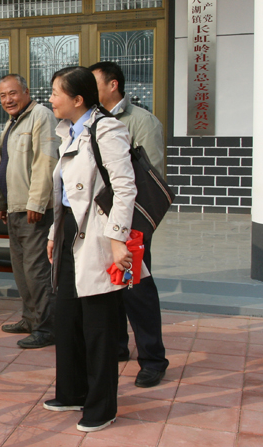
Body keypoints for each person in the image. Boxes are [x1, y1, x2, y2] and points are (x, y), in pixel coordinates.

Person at [44, 66, 143, 432]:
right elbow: (64, 193)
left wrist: (117, 240)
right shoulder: (68, 131)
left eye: (56, 93)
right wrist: (54, 233)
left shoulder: (107, 129)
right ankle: (72, 392)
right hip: (71, 231)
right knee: (68, 317)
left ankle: (102, 407)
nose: (51, 99)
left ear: (78, 99)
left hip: (100, 236)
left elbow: (125, 187)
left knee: (98, 326)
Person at [89, 61, 169, 388]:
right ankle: (119, 346)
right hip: (100, 223)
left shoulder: (141, 121)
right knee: (110, 288)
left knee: (137, 291)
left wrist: (131, 227)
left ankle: (153, 359)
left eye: (93, 83)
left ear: (113, 85)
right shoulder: (90, 120)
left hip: (130, 223)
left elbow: (150, 178)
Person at [0, 74, 60, 349]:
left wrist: (37, 203)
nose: (7, 100)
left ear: (26, 91)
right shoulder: (12, 122)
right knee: (22, 271)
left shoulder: (41, 115)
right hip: (15, 208)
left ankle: (47, 328)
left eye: (12, 93)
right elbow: (6, 165)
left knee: (37, 272)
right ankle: (30, 319)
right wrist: (2, 202)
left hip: (33, 210)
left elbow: (46, 161)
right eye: (2, 95)